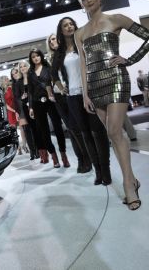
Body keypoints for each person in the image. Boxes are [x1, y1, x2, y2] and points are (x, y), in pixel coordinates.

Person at [75, 0, 149, 210]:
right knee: (114, 135)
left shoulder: (116, 19)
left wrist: (129, 60)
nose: (88, 0)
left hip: (116, 79)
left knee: (114, 130)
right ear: (81, 3)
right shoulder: (80, 33)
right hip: (95, 87)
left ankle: (129, 185)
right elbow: (83, 64)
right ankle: (132, 179)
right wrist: (85, 94)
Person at [50, 17, 110, 182]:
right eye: (65, 25)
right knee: (86, 134)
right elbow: (53, 74)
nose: (69, 27)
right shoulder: (60, 52)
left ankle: (106, 170)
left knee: (98, 132)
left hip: (91, 93)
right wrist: (62, 88)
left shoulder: (83, 43)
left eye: (71, 24)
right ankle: (98, 171)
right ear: (61, 31)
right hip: (73, 97)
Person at [47, 32, 90, 172]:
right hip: (59, 96)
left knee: (78, 128)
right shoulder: (50, 58)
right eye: (50, 40)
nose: (53, 41)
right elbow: (51, 79)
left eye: (54, 38)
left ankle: (87, 158)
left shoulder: (67, 53)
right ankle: (80, 159)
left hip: (72, 92)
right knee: (71, 129)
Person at [26, 49, 68, 167]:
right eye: (33, 57)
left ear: (41, 56)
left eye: (37, 56)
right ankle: (54, 157)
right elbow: (29, 91)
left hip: (51, 100)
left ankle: (63, 155)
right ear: (31, 59)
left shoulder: (48, 68)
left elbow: (55, 82)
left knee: (58, 127)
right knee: (44, 131)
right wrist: (30, 107)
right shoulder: (30, 72)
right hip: (37, 103)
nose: (36, 58)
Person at [11, 67, 38, 160]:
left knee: (33, 129)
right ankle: (32, 152)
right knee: (27, 131)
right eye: (13, 74)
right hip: (20, 109)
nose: (15, 75)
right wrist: (17, 112)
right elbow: (15, 99)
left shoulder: (24, 81)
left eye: (16, 72)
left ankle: (37, 150)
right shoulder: (14, 85)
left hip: (28, 107)